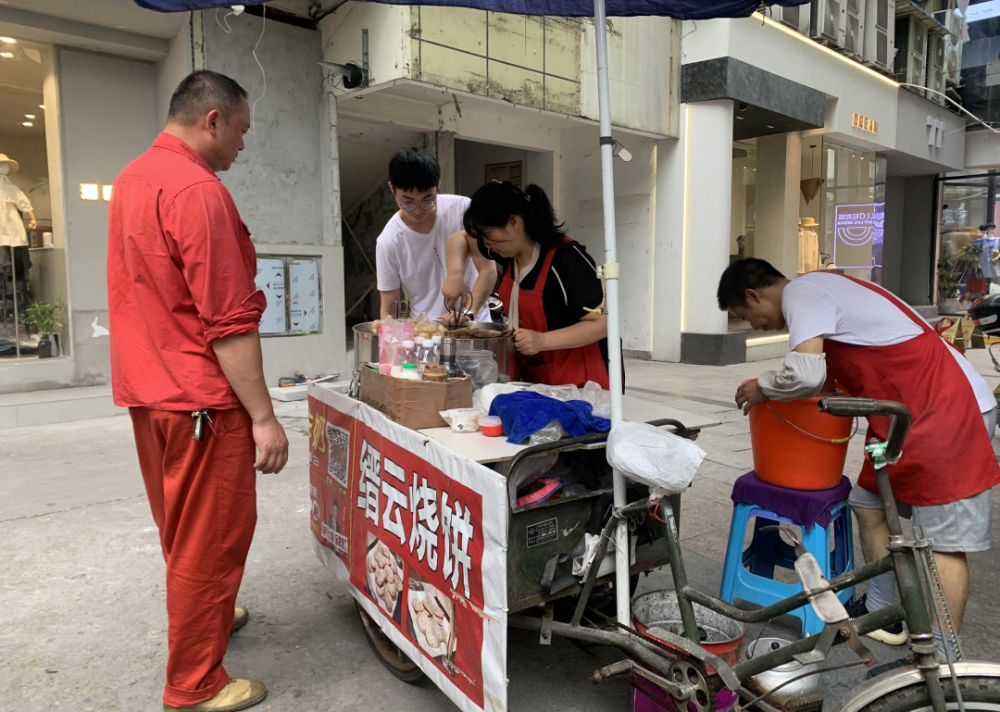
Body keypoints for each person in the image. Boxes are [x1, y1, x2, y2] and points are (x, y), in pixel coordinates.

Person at [107, 70, 288, 712]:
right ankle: (194, 684)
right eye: (240, 131)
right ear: (212, 119)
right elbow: (229, 321)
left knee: (182, 528)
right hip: (201, 402)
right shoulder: (198, 191)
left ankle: (209, 610)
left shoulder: (133, 178)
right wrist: (264, 417)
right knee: (210, 536)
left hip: (150, 392)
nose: (242, 145)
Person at [718, 258, 999, 661]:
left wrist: (763, 388)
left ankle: (943, 659)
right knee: (868, 505)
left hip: (948, 409)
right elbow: (825, 383)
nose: (755, 325)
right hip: (900, 416)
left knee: (944, 544)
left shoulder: (804, 291)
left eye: (746, 315)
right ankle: (883, 614)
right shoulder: (822, 298)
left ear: (753, 293)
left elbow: (806, 376)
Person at [442, 181, 612, 389]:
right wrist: (455, 275)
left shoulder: (567, 260)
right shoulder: (504, 250)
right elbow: (461, 238)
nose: (486, 245)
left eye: (488, 236)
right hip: (537, 375)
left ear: (514, 223)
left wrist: (541, 341)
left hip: (583, 383)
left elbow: (604, 324)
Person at [375, 148, 495, 325]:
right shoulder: (389, 242)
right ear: (392, 188)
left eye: (427, 200)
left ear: (438, 185)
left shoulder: (463, 210)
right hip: (427, 335)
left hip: (475, 327)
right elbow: (390, 309)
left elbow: (487, 270)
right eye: (407, 202)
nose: (417, 210)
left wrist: (469, 312)